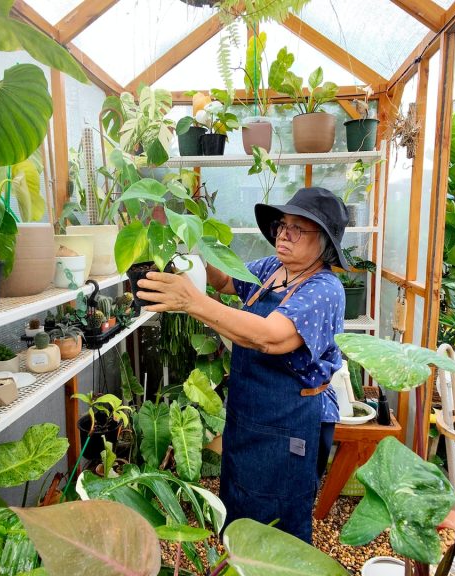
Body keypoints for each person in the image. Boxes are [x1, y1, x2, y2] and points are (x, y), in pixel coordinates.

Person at [136, 187, 349, 543]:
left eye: (298, 228)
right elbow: (223, 280)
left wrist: (192, 302)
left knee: (277, 521)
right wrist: (188, 242)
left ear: (325, 243)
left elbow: (269, 336)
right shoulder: (271, 269)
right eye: (283, 224)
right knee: (238, 503)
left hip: (290, 421)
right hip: (248, 414)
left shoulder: (324, 289)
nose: (284, 233)